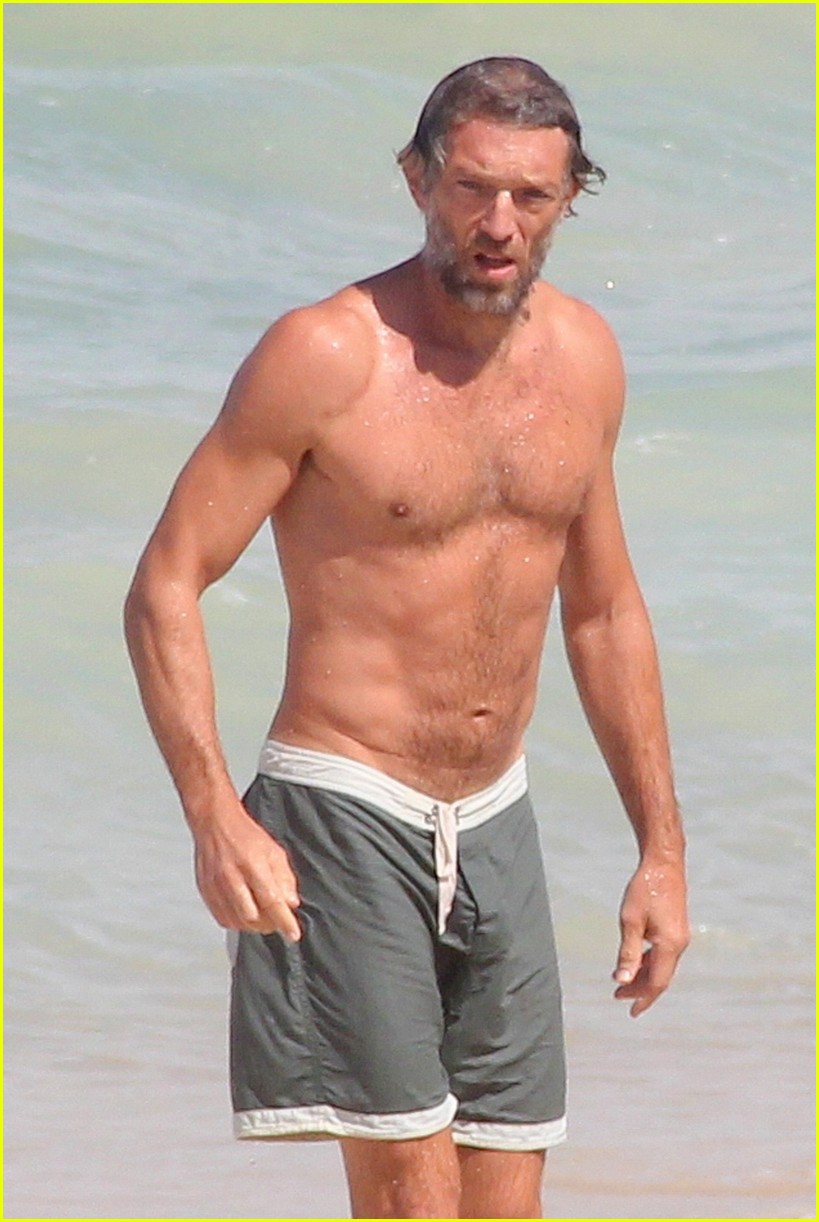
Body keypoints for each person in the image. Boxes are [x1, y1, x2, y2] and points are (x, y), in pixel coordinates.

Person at [124, 56, 690, 1220]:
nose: (499, 224)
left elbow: (603, 609)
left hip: (497, 821)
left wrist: (661, 850)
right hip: (344, 808)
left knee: (507, 1202)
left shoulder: (585, 360)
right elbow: (165, 582)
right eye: (472, 187)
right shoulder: (326, 355)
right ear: (417, 179)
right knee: (409, 1203)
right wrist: (214, 814)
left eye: (531, 196)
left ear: (570, 198)